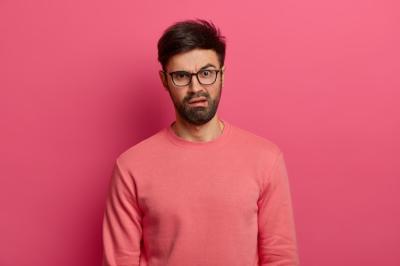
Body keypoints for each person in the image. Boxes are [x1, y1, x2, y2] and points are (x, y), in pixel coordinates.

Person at [102, 19, 300, 266]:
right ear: (164, 80)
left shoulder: (266, 159)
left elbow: (280, 257)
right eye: (182, 76)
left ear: (222, 76)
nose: (196, 88)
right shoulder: (131, 166)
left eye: (206, 73)